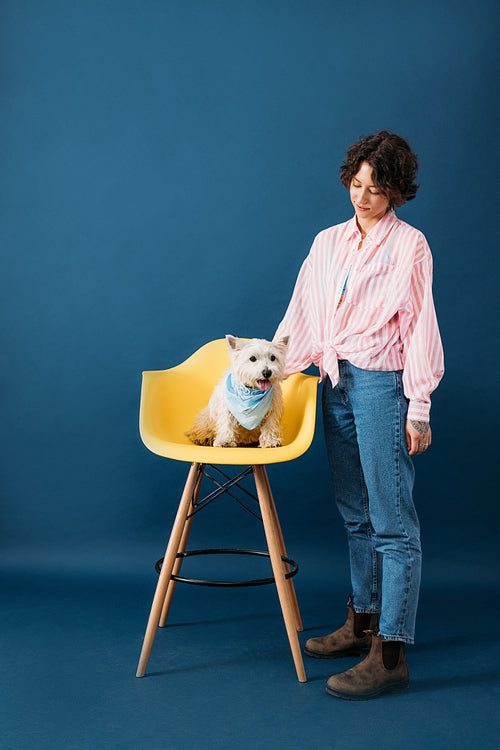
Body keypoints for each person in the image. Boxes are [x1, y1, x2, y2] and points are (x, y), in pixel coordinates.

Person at [274, 130, 444, 700]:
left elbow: (421, 323)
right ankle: (362, 622)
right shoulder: (326, 242)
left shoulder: (410, 246)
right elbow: (303, 310)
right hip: (333, 380)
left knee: (392, 521)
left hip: (381, 385)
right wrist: (272, 372)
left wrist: (418, 407)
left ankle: (390, 651)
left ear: (397, 190)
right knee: (355, 513)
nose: (363, 196)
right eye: (357, 183)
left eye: (377, 187)